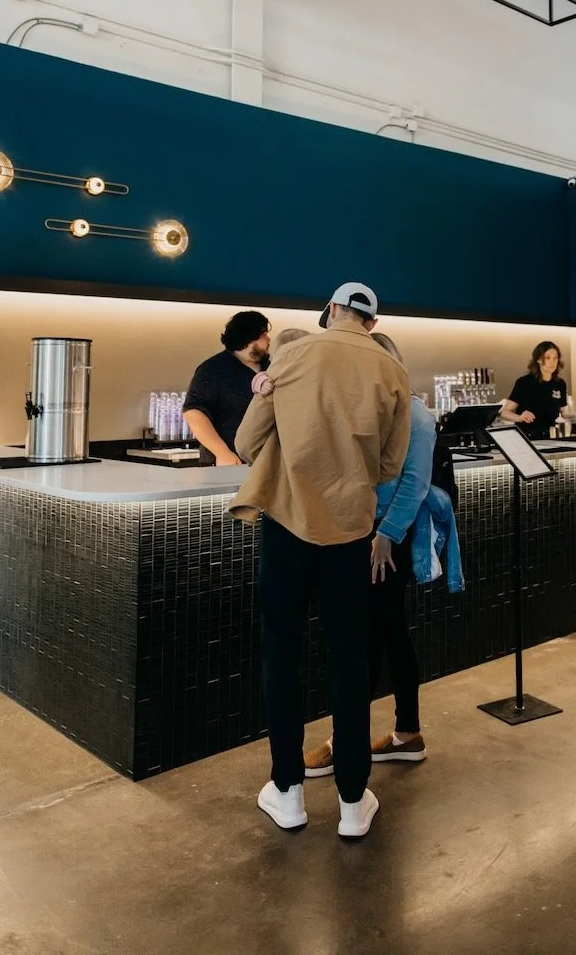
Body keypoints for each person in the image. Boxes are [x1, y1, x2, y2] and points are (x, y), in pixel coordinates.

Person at [230, 283, 410, 839]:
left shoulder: (294, 354)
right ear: (372, 322)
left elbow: (245, 441)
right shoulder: (391, 370)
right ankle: (354, 802)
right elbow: (387, 466)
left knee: (281, 656)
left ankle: (287, 793)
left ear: (330, 311)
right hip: (350, 532)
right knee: (350, 660)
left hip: (287, 527)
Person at [304, 331, 463, 780]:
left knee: (362, 638)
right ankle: (407, 734)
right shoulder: (388, 408)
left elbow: (412, 483)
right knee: (389, 631)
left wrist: (385, 536)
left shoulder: (413, 412)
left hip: (382, 538)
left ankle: (345, 740)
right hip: (373, 533)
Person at [183, 311, 271, 466]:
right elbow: (194, 413)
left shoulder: (272, 367)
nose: (269, 340)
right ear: (250, 338)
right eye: (264, 334)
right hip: (227, 463)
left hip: (265, 464)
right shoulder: (213, 370)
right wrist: (222, 453)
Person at [500, 340, 568, 440]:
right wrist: (520, 417)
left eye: (555, 358)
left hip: (554, 437)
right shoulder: (524, 383)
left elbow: (563, 413)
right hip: (528, 438)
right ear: (539, 359)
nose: (552, 362)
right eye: (547, 358)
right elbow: (505, 412)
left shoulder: (560, 384)